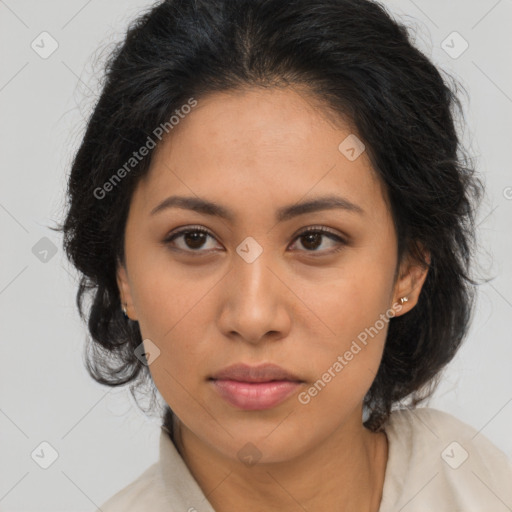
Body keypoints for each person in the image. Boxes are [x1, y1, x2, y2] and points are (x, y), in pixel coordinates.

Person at [56, 0, 512, 510]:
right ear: (122, 274)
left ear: (408, 270)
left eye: (315, 240)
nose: (253, 316)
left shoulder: (481, 484)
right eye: (194, 239)